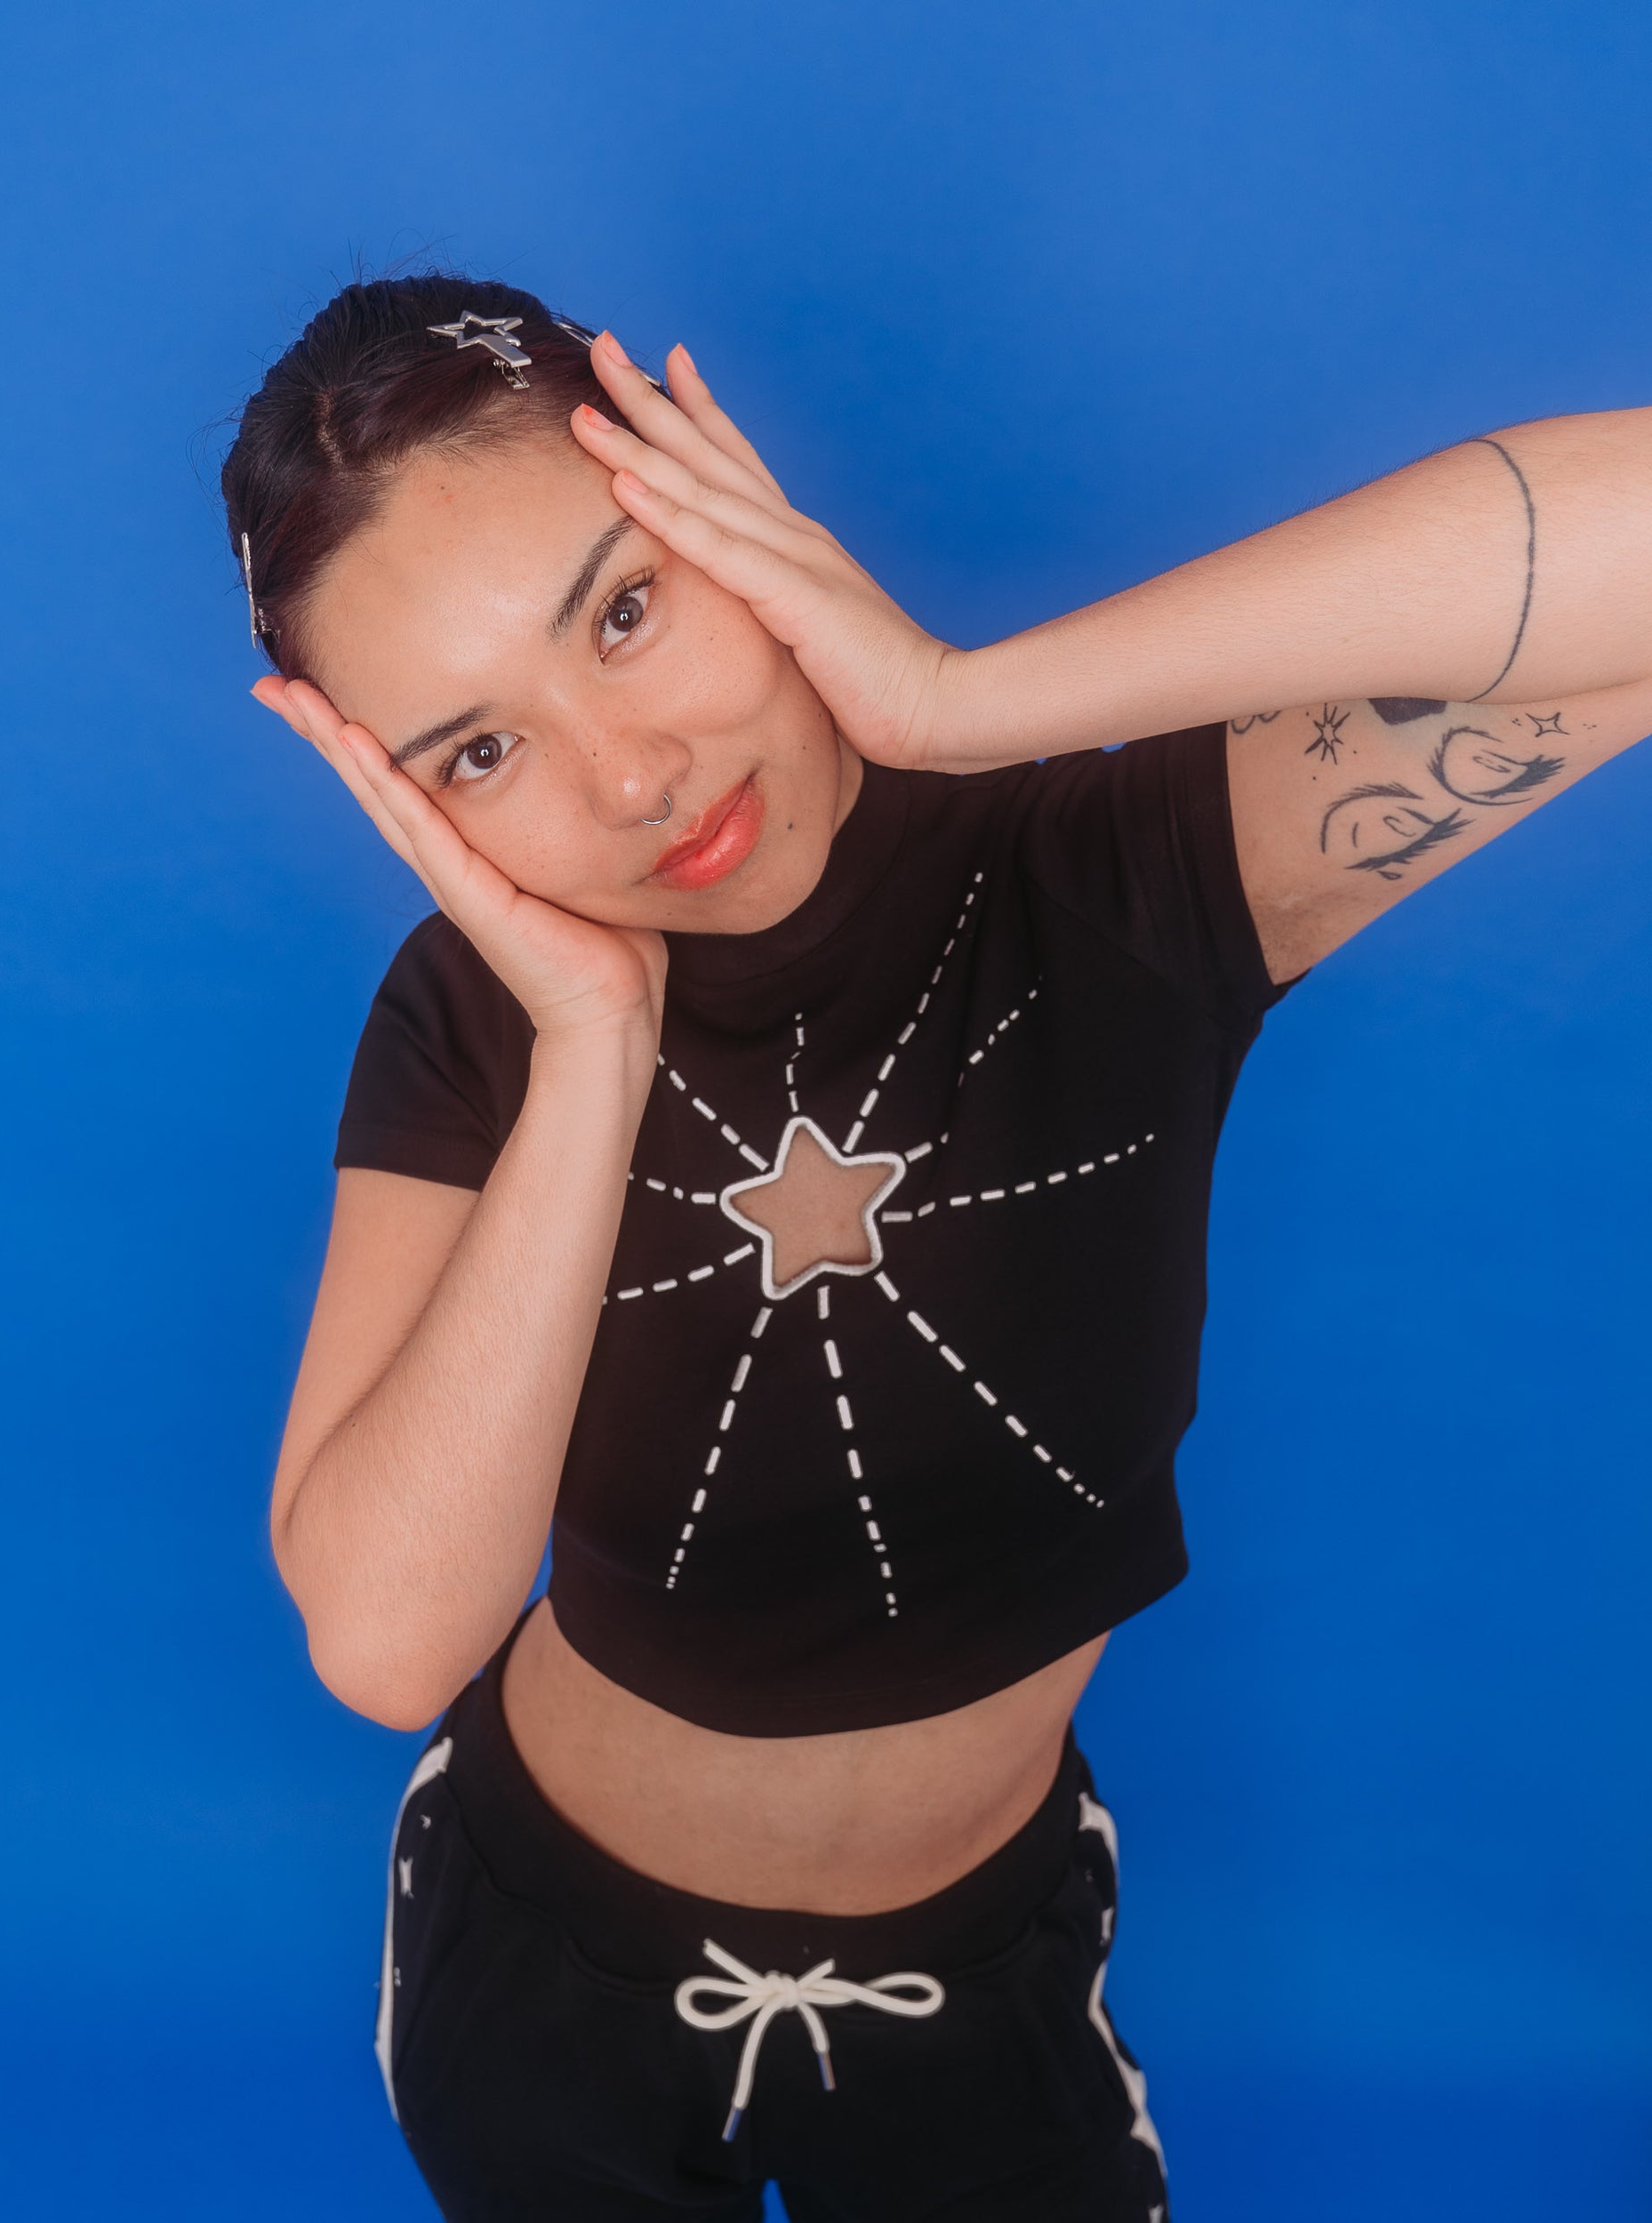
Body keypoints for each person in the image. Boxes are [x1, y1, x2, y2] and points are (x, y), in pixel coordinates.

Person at [221, 274, 1651, 2221]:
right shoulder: (473, 1015)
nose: (630, 779)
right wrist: (589, 1042)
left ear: (719, 499)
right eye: (478, 753)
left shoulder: (1118, 864)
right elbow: (385, 1635)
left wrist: (964, 698)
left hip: (967, 1973)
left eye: (625, 609)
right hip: (531, 1949)